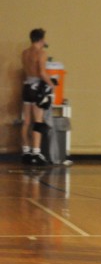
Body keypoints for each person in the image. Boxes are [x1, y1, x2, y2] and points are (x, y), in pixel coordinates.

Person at [21, 28, 56, 165]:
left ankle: (26, 151)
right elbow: (42, 73)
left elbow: (27, 71)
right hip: (37, 88)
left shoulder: (25, 53)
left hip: (27, 87)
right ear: (41, 39)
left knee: (26, 121)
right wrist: (51, 84)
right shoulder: (41, 53)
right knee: (38, 121)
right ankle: (36, 152)